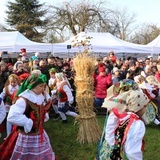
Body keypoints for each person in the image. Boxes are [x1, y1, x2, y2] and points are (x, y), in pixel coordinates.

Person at [7, 74, 56, 160]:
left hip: (39, 132)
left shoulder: (39, 96)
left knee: (40, 152)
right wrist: (27, 122)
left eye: (44, 86)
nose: (43, 89)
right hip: (27, 136)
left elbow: (40, 109)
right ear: (32, 86)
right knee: (27, 154)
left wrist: (43, 115)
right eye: (41, 86)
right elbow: (12, 116)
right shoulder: (24, 99)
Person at [98, 90, 149, 160]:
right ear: (138, 106)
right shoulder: (137, 123)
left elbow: (109, 131)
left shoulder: (120, 115)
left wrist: (112, 145)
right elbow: (132, 151)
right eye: (144, 107)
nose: (145, 110)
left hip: (114, 153)